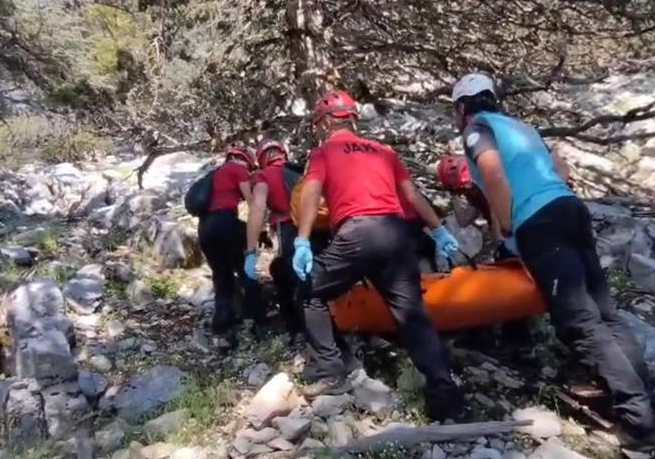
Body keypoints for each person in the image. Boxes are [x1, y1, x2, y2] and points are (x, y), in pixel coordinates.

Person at [449, 73, 655, 451]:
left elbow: (492, 172)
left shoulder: (476, 131)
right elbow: (562, 168)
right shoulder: (522, 127)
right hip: (570, 209)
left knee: (579, 324)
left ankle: (641, 424)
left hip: (540, 223)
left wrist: (505, 226)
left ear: (461, 108)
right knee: (606, 315)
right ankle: (649, 400)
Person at [291, 90, 467, 422]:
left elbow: (312, 192)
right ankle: (447, 398)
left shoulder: (323, 151)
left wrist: (302, 239)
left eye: (318, 124)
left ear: (326, 121)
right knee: (412, 316)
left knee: (310, 292)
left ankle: (330, 372)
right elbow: (411, 195)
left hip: (357, 232)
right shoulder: (383, 150)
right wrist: (438, 230)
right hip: (396, 233)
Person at [244, 139, 318, 343]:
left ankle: (301, 330)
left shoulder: (264, 175)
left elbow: (257, 209)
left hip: (289, 229)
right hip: (318, 228)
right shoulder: (302, 171)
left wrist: (251, 252)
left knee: (289, 278)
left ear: (262, 158)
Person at [198, 146, 264, 348]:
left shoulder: (215, 174)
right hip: (225, 222)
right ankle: (256, 319)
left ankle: (221, 331)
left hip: (205, 228)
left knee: (222, 278)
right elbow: (253, 202)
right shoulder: (237, 169)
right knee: (246, 270)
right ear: (245, 160)